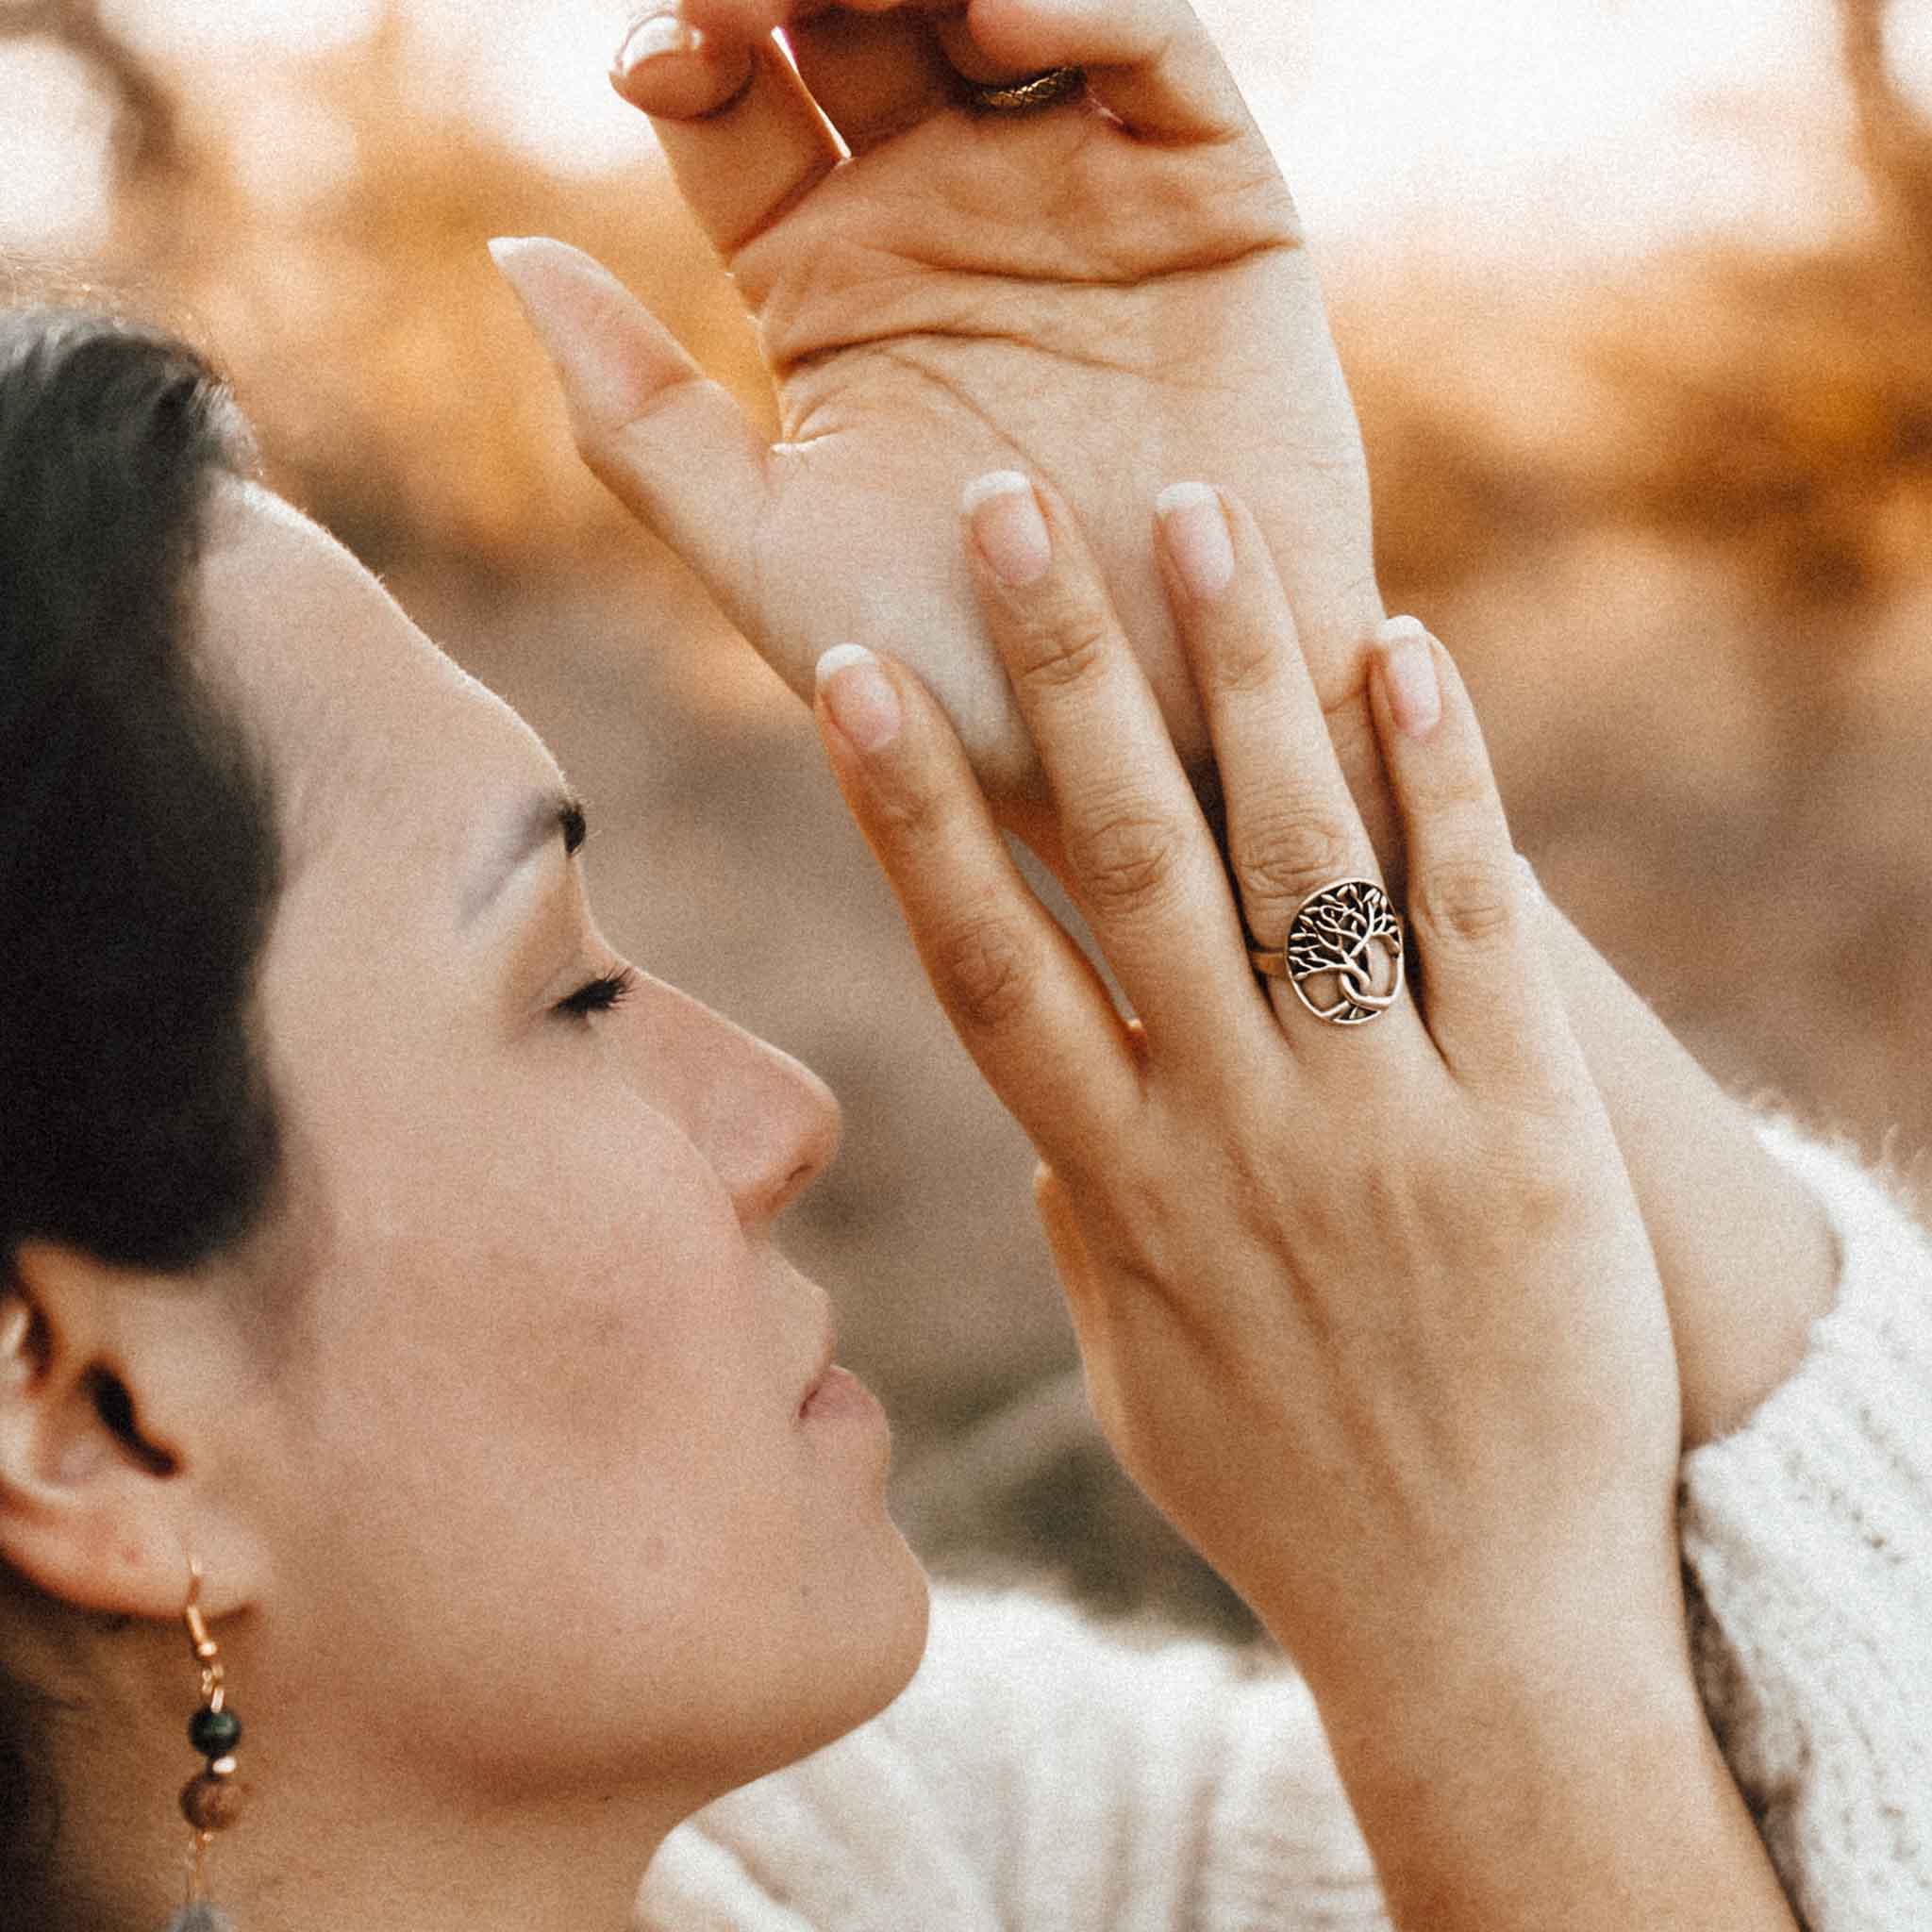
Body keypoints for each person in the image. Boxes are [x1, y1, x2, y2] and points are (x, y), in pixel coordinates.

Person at [0, 12, 1924, 1932]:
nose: (787, 1117)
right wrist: (1480, 1634)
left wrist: (1227, 683)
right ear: (94, 1420)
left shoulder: (854, 1845)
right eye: (571, 993)